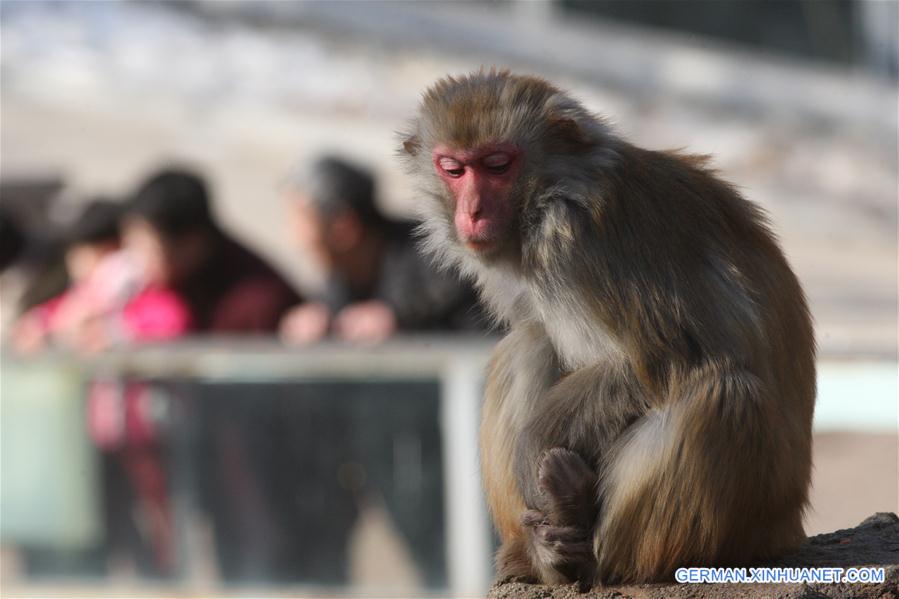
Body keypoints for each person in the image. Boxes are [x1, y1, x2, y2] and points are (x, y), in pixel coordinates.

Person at [280, 156, 484, 345]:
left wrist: (403, 331)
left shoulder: (445, 263)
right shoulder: (341, 276)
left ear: (343, 227)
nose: (295, 237)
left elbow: (476, 346)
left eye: (300, 220)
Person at [124, 168, 301, 333]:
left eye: (147, 249)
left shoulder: (257, 305)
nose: (138, 259)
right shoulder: (167, 286)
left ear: (192, 242)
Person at [11, 199, 191, 353]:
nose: (79, 262)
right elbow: (62, 312)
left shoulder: (146, 289)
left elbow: (170, 319)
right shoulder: (94, 289)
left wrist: (112, 330)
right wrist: (40, 322)